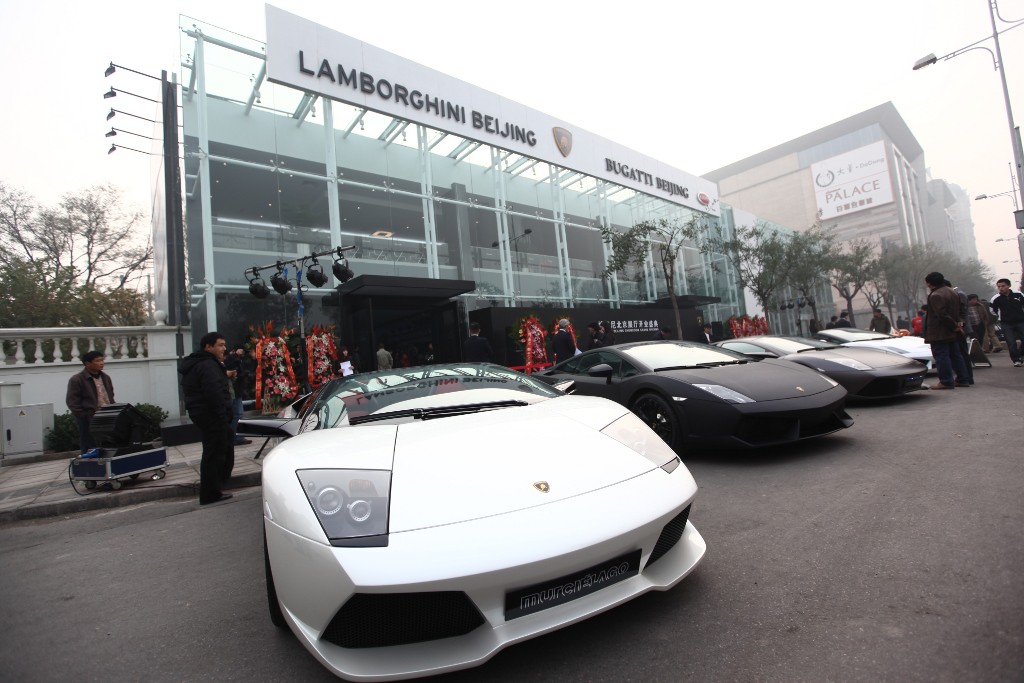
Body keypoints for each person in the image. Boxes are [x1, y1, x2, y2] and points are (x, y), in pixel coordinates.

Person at [179, 332, 233, 504]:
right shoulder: (207, 365)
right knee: (214, 453)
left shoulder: (200, 363)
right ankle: (211, 493)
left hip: (204, 413)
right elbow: (213, 392)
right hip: (211, 415)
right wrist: (222, 413)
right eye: (220, 345)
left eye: (224, 345)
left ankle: (215, 488)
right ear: (208, 347)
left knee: (219, 448)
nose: (224, 348)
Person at [923, 272, 971, 390]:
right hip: (953, 331)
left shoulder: (936, 295)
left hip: (940, 331)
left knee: (941, 356)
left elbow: (942, 315)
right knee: (956, 355)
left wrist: (953, 326)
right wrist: (958, 325)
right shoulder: (952, 292)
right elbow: (961, 310)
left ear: (929, 283)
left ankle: (946, 381)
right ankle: (963, 379)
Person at [65, 350, 115, 454]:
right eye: (97, 361)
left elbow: (111, 396)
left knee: (107, 445)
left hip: (107, 416)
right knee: (89, 446)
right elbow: (72, 401)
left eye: (102, 360)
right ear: (87, 363)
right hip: (88, 418)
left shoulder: (106, 377)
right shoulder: (77, 379)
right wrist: (83, 416)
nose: (101, 363)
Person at [989, 278, 1024, 367]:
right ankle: (1016, 360)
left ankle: (1021, 354)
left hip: (1020, 321)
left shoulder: (1018, 294)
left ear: (1009, 286)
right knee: (1011, 342)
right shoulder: (996, 298)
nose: (1001, 288)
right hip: (1006, 323)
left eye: (1003, 286)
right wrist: (1000, 316)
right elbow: (992, 310)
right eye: (999, 287)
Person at [223, 345, 251, 446]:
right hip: (233, 391)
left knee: (237, 414)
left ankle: (236, 437)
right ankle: (235, 437)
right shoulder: (231, 359)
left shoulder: (238, 359)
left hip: (236, 390)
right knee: (237, 414)